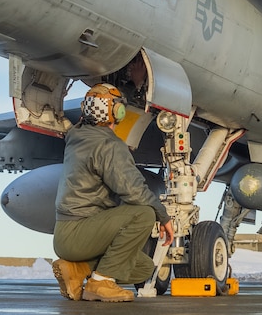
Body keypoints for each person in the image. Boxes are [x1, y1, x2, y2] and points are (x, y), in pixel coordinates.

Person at [51, 82, 176, 302]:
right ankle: (100, 283)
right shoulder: (108, 145)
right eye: (120, 107)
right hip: (80, 233)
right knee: (144, 213)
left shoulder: (77, 136)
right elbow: (135, 191)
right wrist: (163, 216)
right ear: (116, 111)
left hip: (66, 236)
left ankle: (78, 269)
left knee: (143, 268)